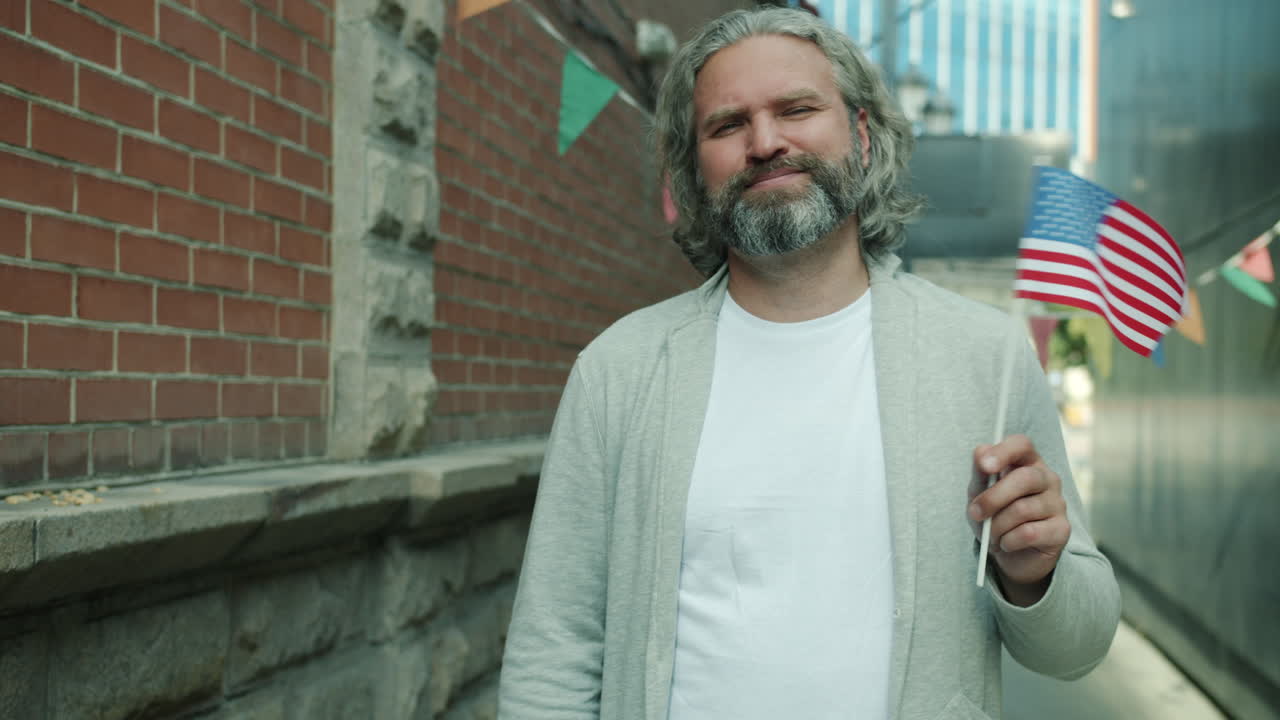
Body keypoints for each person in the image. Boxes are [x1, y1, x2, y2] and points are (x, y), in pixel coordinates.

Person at [497, 7, 1120, 719]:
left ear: (860, 133)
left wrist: (1033, 576)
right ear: (694, 169)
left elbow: (1079, 646)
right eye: (727, 125)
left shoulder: (983, 357)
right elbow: (553, 654)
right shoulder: (620, 371)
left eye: (797, 109)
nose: (765, 142)